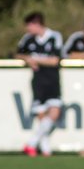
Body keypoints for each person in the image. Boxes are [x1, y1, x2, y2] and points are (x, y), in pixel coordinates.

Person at [15, 11, 65, 156]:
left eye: (29, 26)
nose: (28, 29)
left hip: (52, 80)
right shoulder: (28, 39)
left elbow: (55, 60)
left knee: (54, 113)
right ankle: (46, 150)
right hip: (38, 81)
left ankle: (31, 143)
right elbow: (17, 53)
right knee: (42, 116)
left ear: (37, 24)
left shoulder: (54, 36)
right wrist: (27, 59)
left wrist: (35, 60)